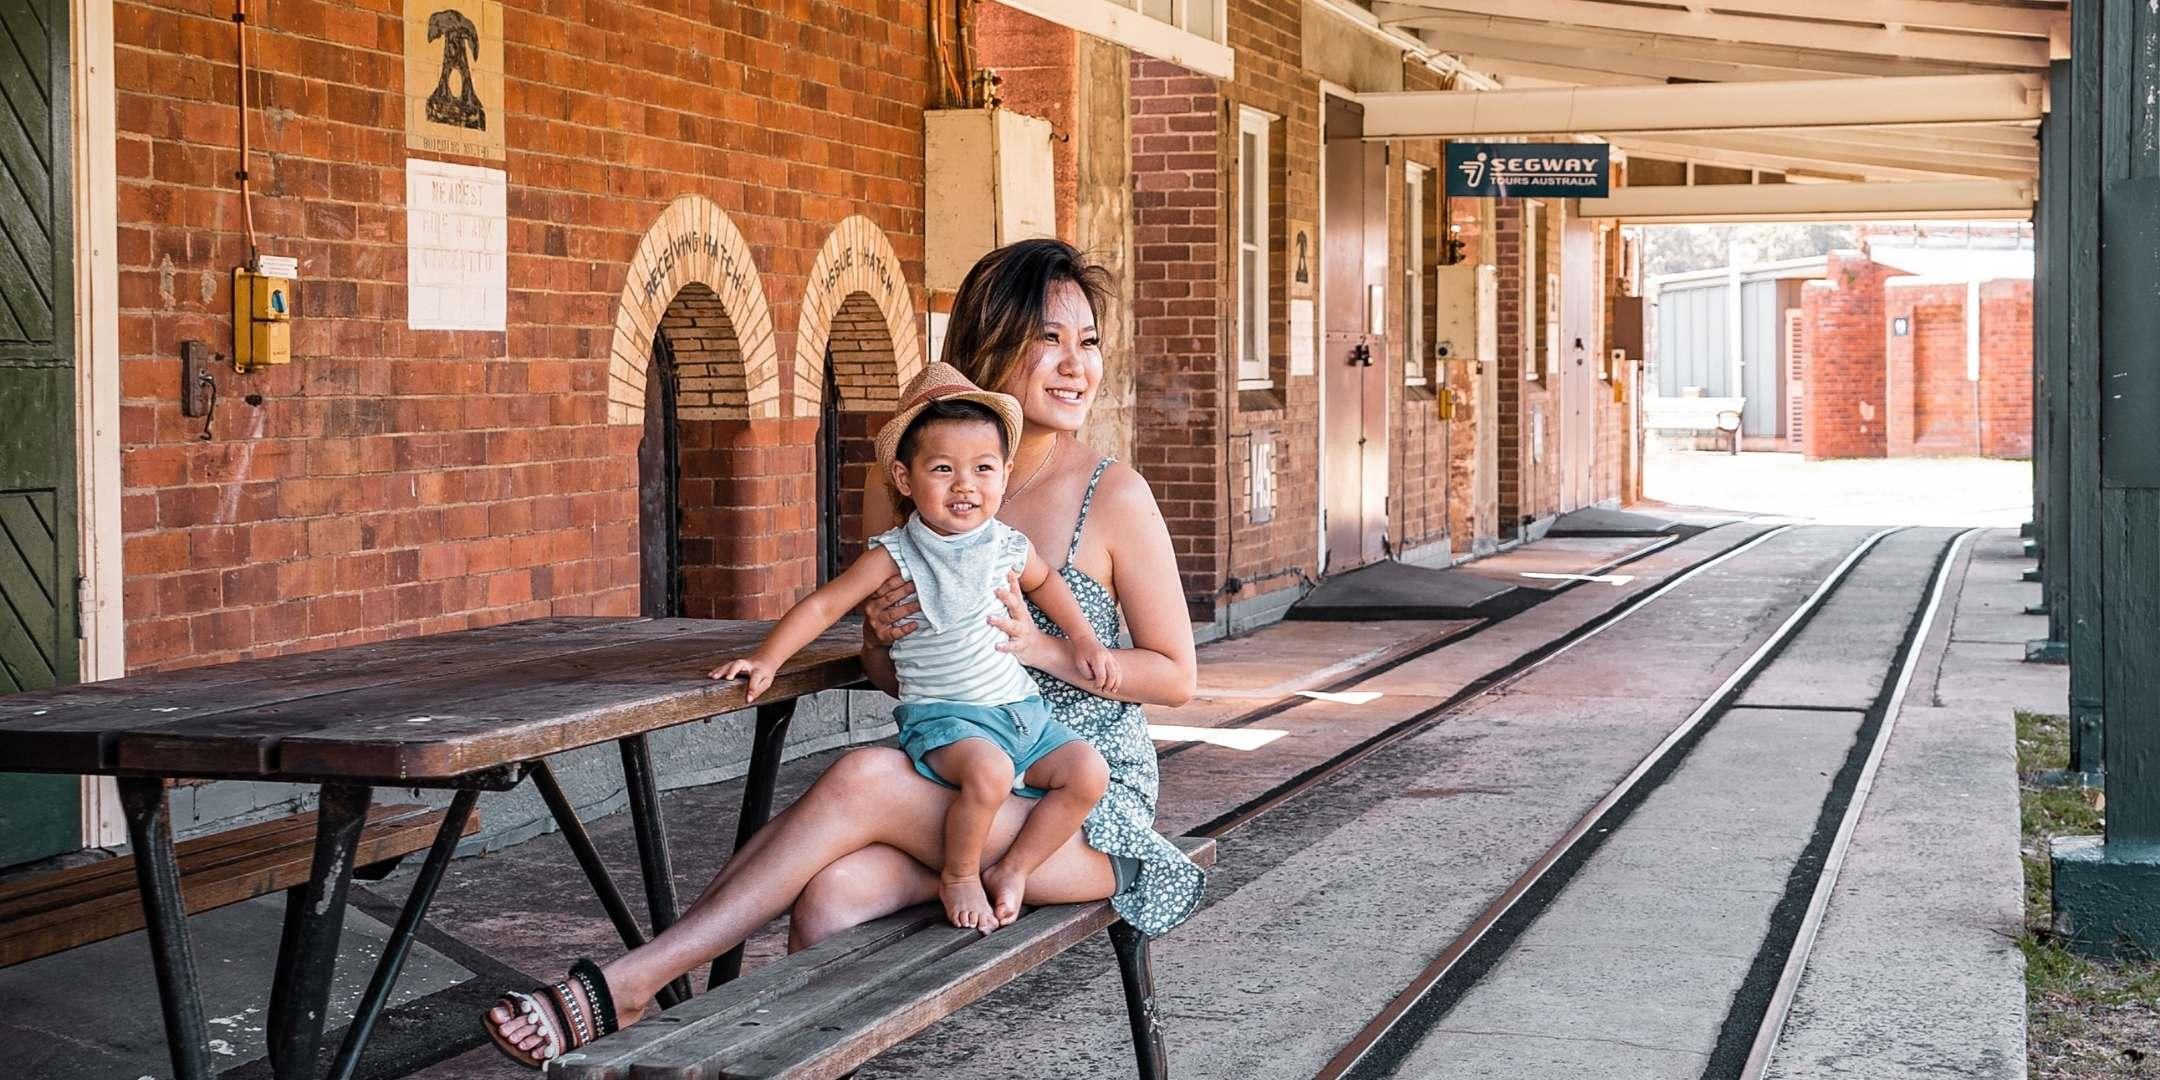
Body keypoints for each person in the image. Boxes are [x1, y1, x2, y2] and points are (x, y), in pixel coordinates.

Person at [484, 238, 1203, 1069]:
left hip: (1077, 811)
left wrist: (1041, 648)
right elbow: (886, 671)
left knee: (860, 779)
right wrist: (881, 639)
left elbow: (1176, 675)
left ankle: (631, 981)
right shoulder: (920, 481)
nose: (1076, 365)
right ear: (987, 344)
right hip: (956, 766)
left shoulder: (1111, 493)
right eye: (1050, 339)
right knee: (828, 897)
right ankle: (709, 1014)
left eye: (1088, 341)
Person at [708, 362, 1118, 933]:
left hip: (1023, 713)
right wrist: (768, 658)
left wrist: (1084, 641)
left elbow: (1048, 585)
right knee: (989, 774)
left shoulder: (1008, 546)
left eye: (983, 469)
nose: (965, 485)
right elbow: (826, 605)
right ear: (905, 479)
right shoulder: (897, 554)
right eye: (943, 469)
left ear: (1003, 475)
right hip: (947, 718)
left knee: (1087, 772)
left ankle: (1017, 869)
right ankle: (959, 873)